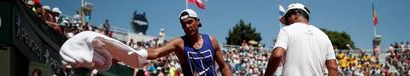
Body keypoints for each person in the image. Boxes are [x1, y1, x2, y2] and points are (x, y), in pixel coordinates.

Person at [59, 9, 232, 76]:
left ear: (198, 22)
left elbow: (223, 66)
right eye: (183, 24)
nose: (187, 27)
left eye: (190, 22)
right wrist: (124, 55)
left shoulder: (212, 41)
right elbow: (156, 52)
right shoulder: (179, 43)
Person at [264, 3, 338, 76]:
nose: (286, 23)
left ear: (296, 14)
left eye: (287, 19)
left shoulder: (286, 30)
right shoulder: (324, 36)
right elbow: (333, 68)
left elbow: (277, 55)